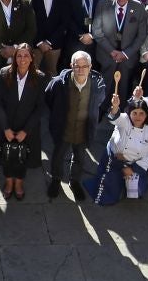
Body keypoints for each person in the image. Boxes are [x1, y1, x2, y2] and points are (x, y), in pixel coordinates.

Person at [44, 51, 107, 199]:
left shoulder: (97, 85)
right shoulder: (60, 83)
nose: (80, 70)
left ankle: (75, 181)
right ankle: (56, 180)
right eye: (76, 66)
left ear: (90, 67)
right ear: (71, 66)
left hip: (83, 130)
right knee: (58, 156)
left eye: (84, 66)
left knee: (79, 157)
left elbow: (100, 102)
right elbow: (49, 97)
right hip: (63, 129)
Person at [0, 44, 45, 201]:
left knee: (23, 157)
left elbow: (40, 108)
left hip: (27, 127)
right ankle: (9, 182)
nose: (22, 59)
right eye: (19, 56)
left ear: (31, 58)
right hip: (7, 125)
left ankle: (19, 183)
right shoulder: (4, 73)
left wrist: (26, 131)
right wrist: (5, 128)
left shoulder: (40, 77)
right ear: (15, 58)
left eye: (26, 56)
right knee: (7, 155)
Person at [91, 99, 148, 204]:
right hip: (114, 160)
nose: (138, 117)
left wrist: (132, 169)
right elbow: (113, 118)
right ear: (129, 113)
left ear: (147, 115)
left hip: (133, 164)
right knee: (111, 193)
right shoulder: (124, 119)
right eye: (134, 113)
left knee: (138, 192)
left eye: (142, 113)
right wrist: (115, 107)